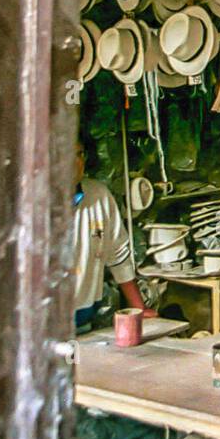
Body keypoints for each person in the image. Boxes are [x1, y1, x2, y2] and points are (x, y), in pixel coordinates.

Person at [73, 138, 155, 332]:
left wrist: (139, 307)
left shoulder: (98, 196)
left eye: (79, 154)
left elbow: (118, 255)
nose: (76, 163)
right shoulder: (31, 203)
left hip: (82, 321)